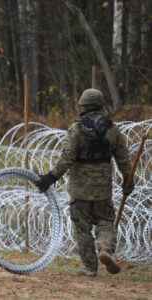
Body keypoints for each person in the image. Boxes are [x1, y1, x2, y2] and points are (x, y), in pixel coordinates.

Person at [36, 88, 134, 277]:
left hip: (80, 189)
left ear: (82, 106)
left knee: (83, 228)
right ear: (100, 105)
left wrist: (50, 177)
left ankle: (90, 267)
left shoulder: (77, 129)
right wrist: (129, 181)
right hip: (103, 189)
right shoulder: (112, 129)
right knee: (105, 221)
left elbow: (67, 158)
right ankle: (105, 248)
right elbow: (124, 159)